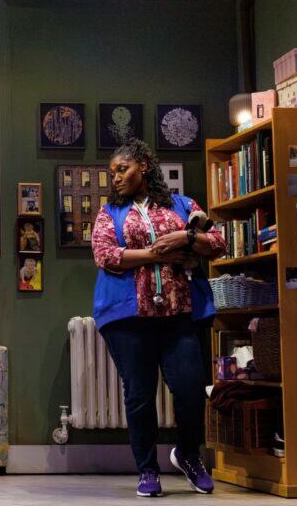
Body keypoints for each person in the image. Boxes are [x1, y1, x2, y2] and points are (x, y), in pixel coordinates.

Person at [91, 139, 226, 497]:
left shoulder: (182, 206)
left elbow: (217, 242)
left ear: (144, 167)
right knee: (139, 394)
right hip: (127, 318)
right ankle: (147, 469)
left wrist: (184, 236)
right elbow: (106, 255)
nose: (115, 178)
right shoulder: (110, 214)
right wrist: (155, 253)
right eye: (113, 173)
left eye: (123, 170)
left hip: (178, 313)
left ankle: (189, 455)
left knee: (190, 390)